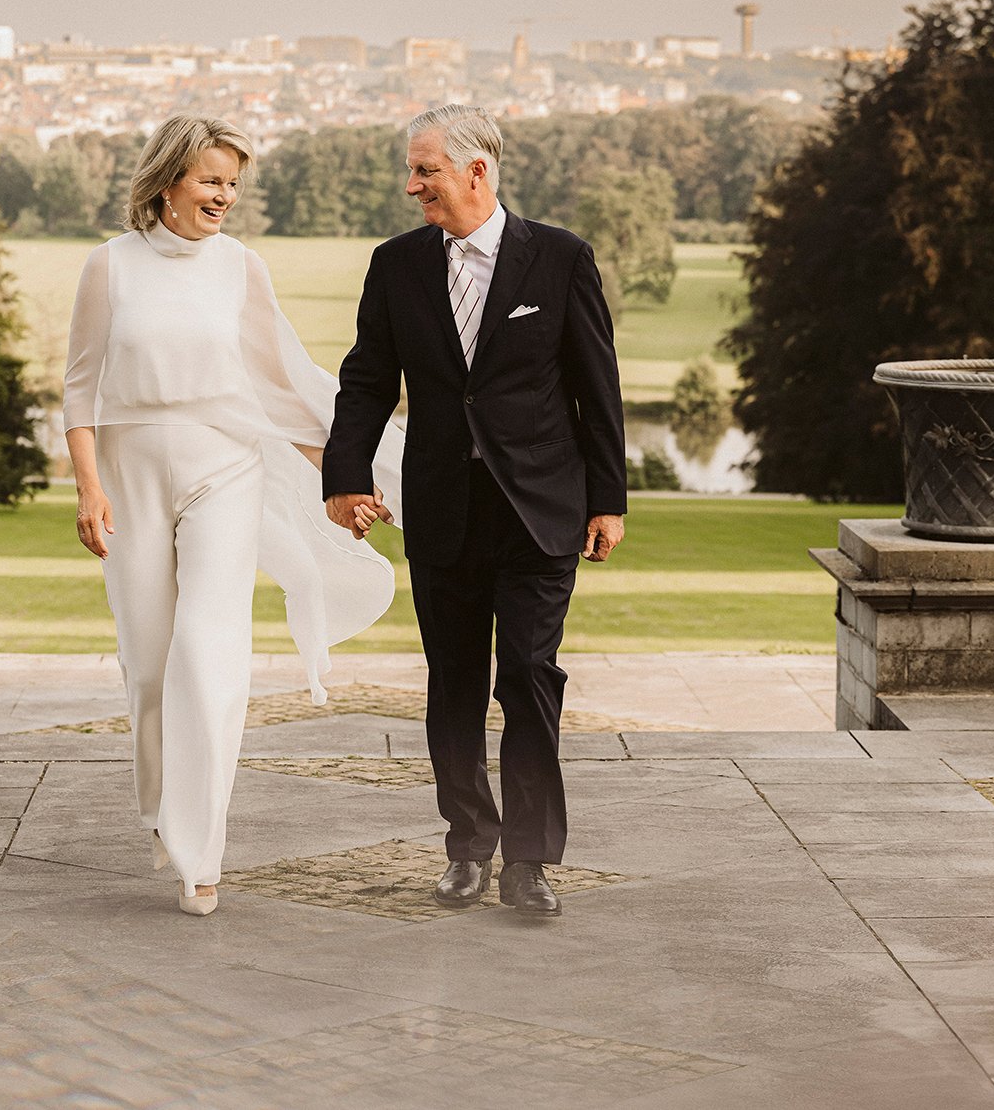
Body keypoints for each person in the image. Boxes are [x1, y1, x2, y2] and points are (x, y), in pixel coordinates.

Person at [63, 115, 402, 917]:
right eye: (212, 179)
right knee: (148, 662)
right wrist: (88, 487)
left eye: (233, 185)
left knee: (212, 651)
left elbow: (281, 390)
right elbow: (79, 390)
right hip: (131, 469)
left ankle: (200, 850)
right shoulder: (108, 267)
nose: (224, 196)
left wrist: (343, 478)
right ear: (168, 180)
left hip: (225, 468)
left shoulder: (242, 269)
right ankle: (160, 811)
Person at [323, 105, 627, 918]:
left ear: (476, 172)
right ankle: (468, 845)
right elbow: (367, 377)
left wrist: (609, 499)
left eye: (425, 169)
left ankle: (530, 860)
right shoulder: (396, 266)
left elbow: (597, 387)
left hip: (541, 511)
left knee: (528, 676)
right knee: (453, 684)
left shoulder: (559, 259)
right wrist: (345, 476)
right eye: (413, 170)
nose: (413, 184)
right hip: (443, 511)